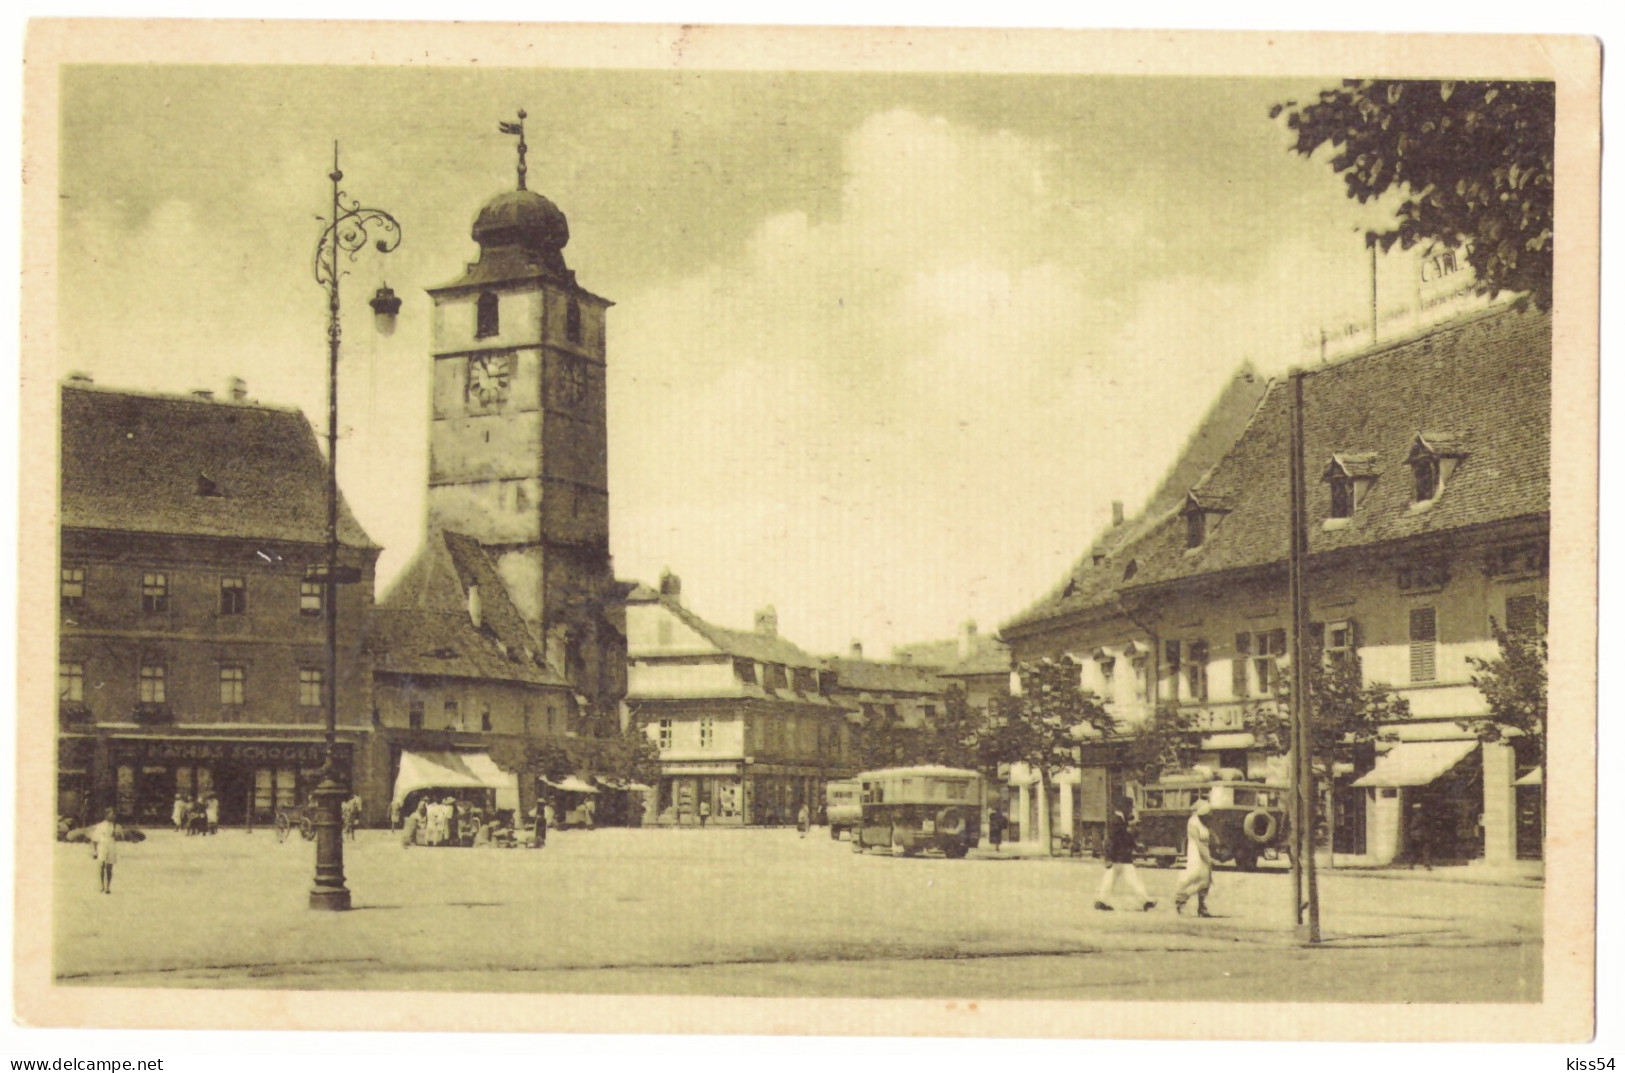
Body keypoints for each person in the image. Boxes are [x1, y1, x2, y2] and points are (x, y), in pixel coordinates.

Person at [1094, 810, 1155, 912]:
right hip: (1123, 860)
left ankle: (1101, 901)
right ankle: (1145, 901)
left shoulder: (1119, 828)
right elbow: (1122, 842)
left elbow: (1111, 844)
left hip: (1117, 860)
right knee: (1134, 881)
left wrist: (1108, 858)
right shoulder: (1122, 829)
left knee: (1108, 882)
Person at [1174, 801, 1215, 917]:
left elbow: (1211, 837)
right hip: (1196, 853)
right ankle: (1180, 899)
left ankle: (1201, 907)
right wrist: (1208, 858)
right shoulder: (1193, 822)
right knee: (1195, 877)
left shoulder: (1205, 823)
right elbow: (1198, 843)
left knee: (1206, 880)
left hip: (1205, 851)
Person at [89, 807, 120, 894]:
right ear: (106, 815)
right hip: (102, 846)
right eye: (112, 814)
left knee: (110, 867)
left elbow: (118, 836)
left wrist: (117, 835)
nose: (114, 816)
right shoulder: (100, 826)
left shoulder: (115, 826)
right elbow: (95, 839)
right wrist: (95, 852)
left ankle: (108, 887)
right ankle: (101, 886)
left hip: (112, 846)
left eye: (114, 814)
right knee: (102, 865)